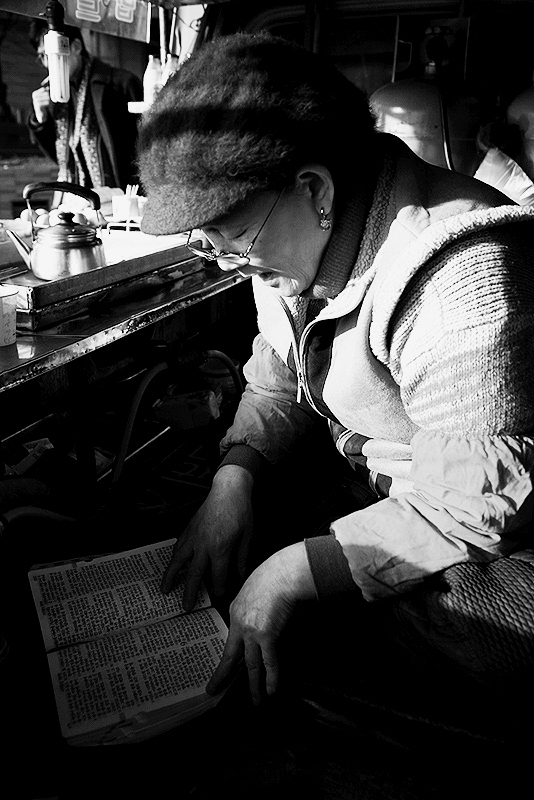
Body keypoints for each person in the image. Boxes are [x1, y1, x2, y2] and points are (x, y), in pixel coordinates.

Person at [137, 33, 534, 711]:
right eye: (206, 243)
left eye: (227, 237)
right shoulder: (285, 246)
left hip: (476, 527)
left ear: (314, 189)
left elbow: (473, 506)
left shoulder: (461, 278)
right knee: (205, 536)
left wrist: (291, 574)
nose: (223, 259)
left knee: (489, 640)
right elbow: (279, 374)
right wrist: (234, 479)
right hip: (364, 484)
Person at [27, 19, 142, 191]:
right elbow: (60, 157)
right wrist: (40, 121)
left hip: (121, 195)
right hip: (75, 195)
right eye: (43, 56)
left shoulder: (121, 84)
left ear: (76, 47)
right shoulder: (53, 96)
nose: (49, 64)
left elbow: (143, 148)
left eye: (54, 54)